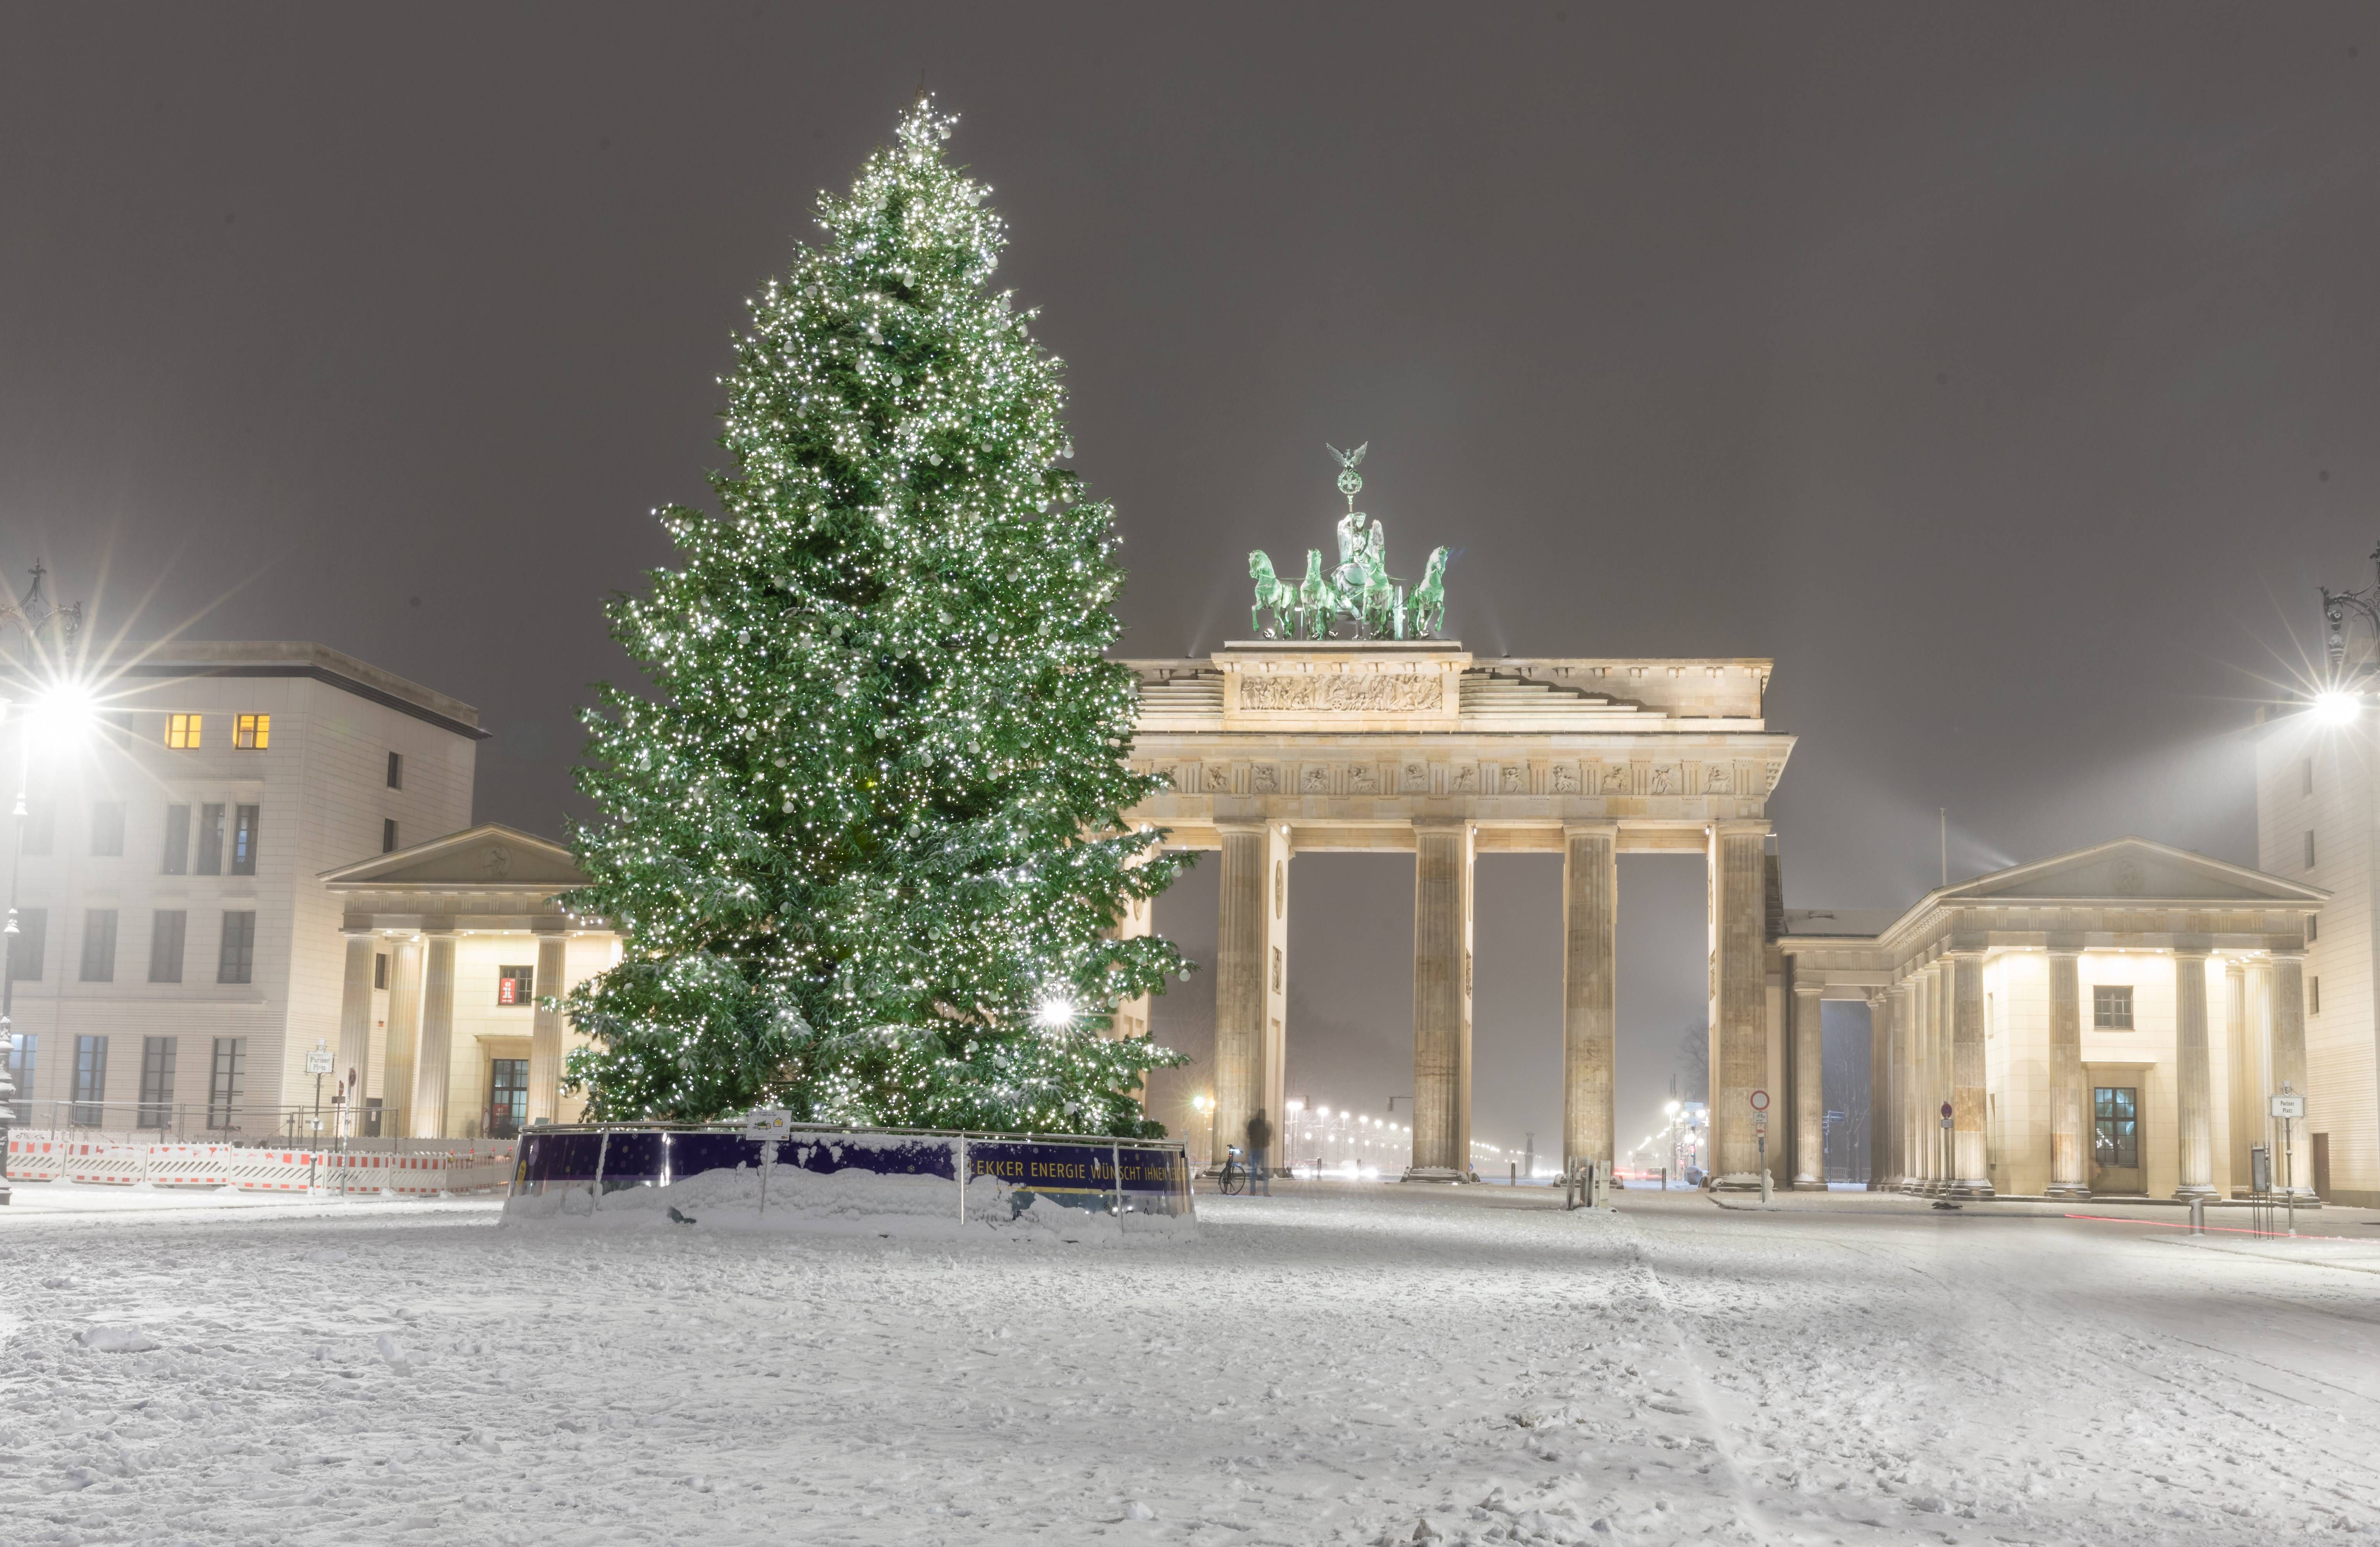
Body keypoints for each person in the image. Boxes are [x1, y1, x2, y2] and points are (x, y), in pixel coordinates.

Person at [1245, 1109, 1273, 1196]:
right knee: (1265, 1171)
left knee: (1253, 1171)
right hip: (1263, 1149)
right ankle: (1266, 1192)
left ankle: (1252, 1191)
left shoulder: (1252, 1123)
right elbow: (1270, 1135)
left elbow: (1248, 1135)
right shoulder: (1267, 1124)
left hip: (1254, 1149)